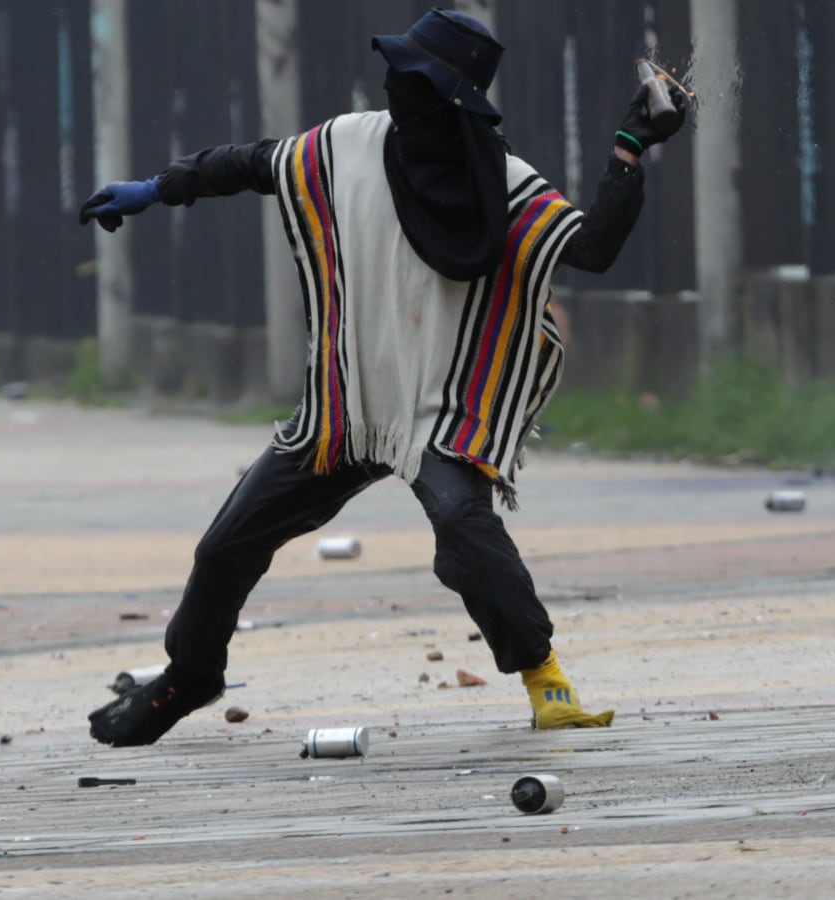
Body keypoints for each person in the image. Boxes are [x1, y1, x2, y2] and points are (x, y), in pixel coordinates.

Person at [78, 8, 689, 747]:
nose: (400, 90)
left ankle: (546, 680)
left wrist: (630, 148)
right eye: (399, 72)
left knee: (464, 529)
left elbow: (590, 247)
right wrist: (157, 187)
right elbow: (251, 164)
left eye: (418, 80)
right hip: (347, 405)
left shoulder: (502, 185)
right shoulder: (348, 144)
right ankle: (189, 677)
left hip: (441, 406)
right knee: (225, 547)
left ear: (454, 101)